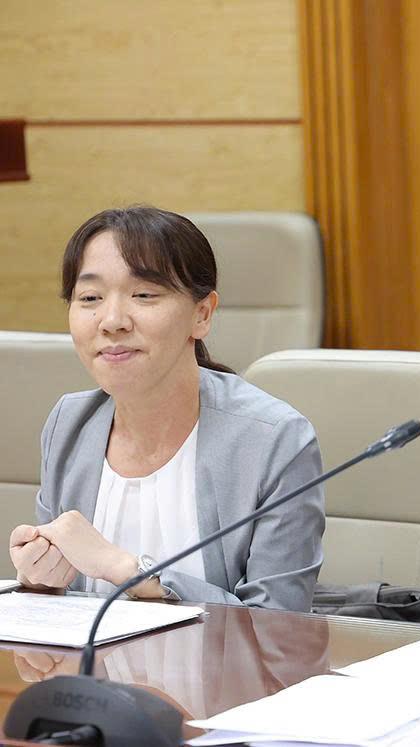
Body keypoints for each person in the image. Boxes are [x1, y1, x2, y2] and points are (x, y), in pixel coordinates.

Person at [7, 206, 325, 610]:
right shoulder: (69, 424)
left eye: (144, 295)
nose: (112, 321)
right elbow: (67, 605)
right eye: (90, 298)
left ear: (202, 314)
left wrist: (127, 570)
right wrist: (42, 581)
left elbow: (279, 627)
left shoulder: (274, 439)